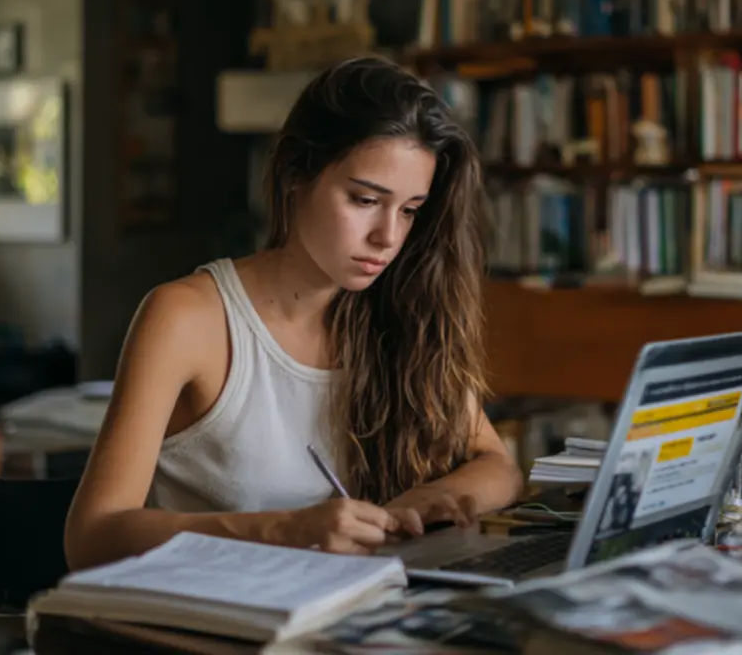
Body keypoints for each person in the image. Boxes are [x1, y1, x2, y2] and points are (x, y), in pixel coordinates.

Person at [64, 55, 523, 570]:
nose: (388, 237)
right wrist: (286, 529)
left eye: (410, 210)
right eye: (365, 199)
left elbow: (498, 467)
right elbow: (92, 536)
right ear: (293, 174)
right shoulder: (186, 317)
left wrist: (430, 499)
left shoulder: (403, 311)